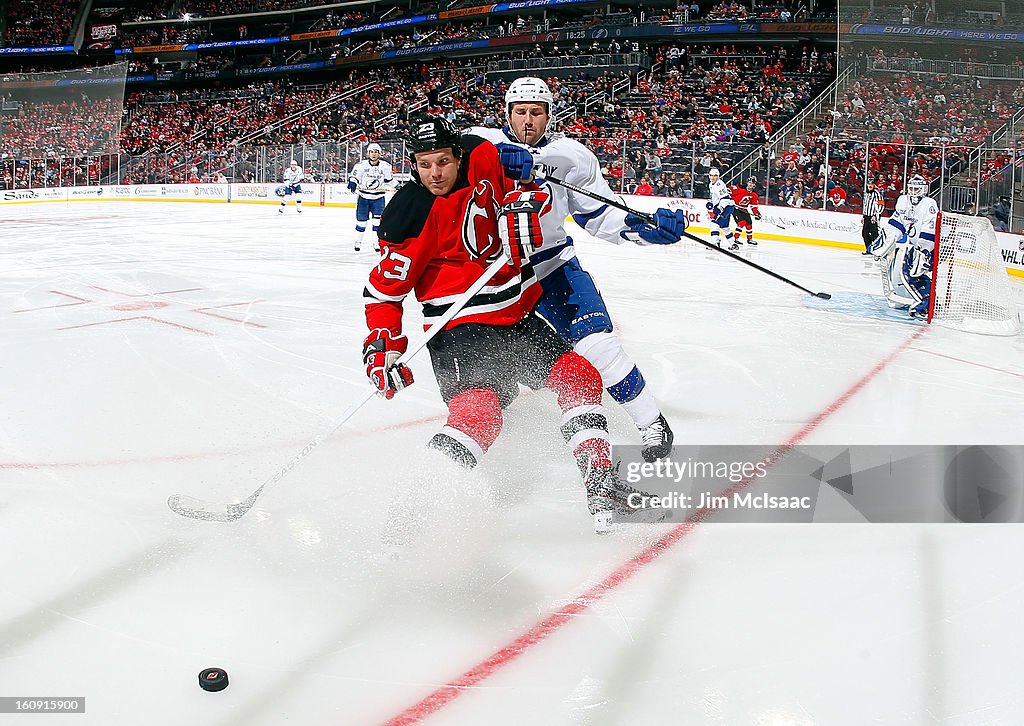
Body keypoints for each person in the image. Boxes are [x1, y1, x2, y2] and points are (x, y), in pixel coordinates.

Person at [363, 115, 655, 531]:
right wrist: (382, 347)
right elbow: (384, 293)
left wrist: (521, 175)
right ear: (413, 164)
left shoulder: (480, 155)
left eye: (443, 162)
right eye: (424, 165)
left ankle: (601, 486)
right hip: (460, 330)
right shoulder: (408, 213)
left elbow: (504, 162)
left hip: (516, 317)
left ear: (458, 156)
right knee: (479, 415)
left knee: (580, 377)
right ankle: (412, 512)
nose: (435, 174)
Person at [466, 77, 687, 463]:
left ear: (549, 116)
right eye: (521, 112)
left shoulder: (573, 156)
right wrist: (501, 156)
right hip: (495, 273)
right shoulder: (478, 142)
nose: (528, 120)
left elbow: (598, 214)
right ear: (507, 113)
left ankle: (651, 421)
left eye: (537, 112)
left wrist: (643, 229)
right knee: (493, 359)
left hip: (553, 265)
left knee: (596, 342)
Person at [868, 175, 937, 319]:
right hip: (915, 246)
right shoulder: (903, 201)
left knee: (910, 272)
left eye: (917, 189)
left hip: (931, 247)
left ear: (924, 189)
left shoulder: (929, 204)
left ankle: (927, 302)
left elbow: (930, 228)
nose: (913, 192)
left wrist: (924, 249)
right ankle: (912, 296)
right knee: (900, 272)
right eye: (911, 188)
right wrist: (886, 241)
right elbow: (897, 223)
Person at [348, 142, 396, 251]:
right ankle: (358, 242)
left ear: (379, 154)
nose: (373, 154)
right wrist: (353, 182)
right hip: (363, 198)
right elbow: (354, 177)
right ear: (368, 153)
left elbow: (389, 180)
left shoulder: (385, 166)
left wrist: (398, 186)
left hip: (378, 199)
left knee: (377, 223)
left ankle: (376, 243)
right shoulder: (361, 165)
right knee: (361, 222)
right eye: (371, 152)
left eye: (376, 152)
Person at [729, 177, 762, 250]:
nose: (751, 184)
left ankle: (749, 239)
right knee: (741, 222)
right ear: (747, 183)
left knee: (749, 224)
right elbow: (728, 190)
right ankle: (735, 239)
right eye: (750, 182)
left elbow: (753, 207)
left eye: (752, 183)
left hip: (744, 209)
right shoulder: (739, 189)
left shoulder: (754, 195)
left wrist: (757, 214)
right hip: (735, 208)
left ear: (754, 185)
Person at [707, 167, 735, 248]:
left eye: (715, 175)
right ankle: (733, 244)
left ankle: (714, 243)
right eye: (711, 175)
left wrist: (720, 208)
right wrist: (710, 202)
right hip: (728, 206)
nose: (713, 177)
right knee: (724, 227)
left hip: (726, 207)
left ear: (718, 176)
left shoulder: (719, 184)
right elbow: (714, 197)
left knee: (714, 224)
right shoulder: (711, 185)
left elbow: (725, 198)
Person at [860, 178, 885, 256]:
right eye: (869, 184)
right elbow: (865, 205)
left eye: (871, 184)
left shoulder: (877, 194)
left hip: (873, 217)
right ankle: (869, 249)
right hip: (866, 217)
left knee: (875, 234)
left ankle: (877, 250)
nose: (870, 185)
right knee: (864, 233)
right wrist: (863, 216)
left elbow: (881, 205)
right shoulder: (866, 194)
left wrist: (876, 215)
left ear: (874, 185)